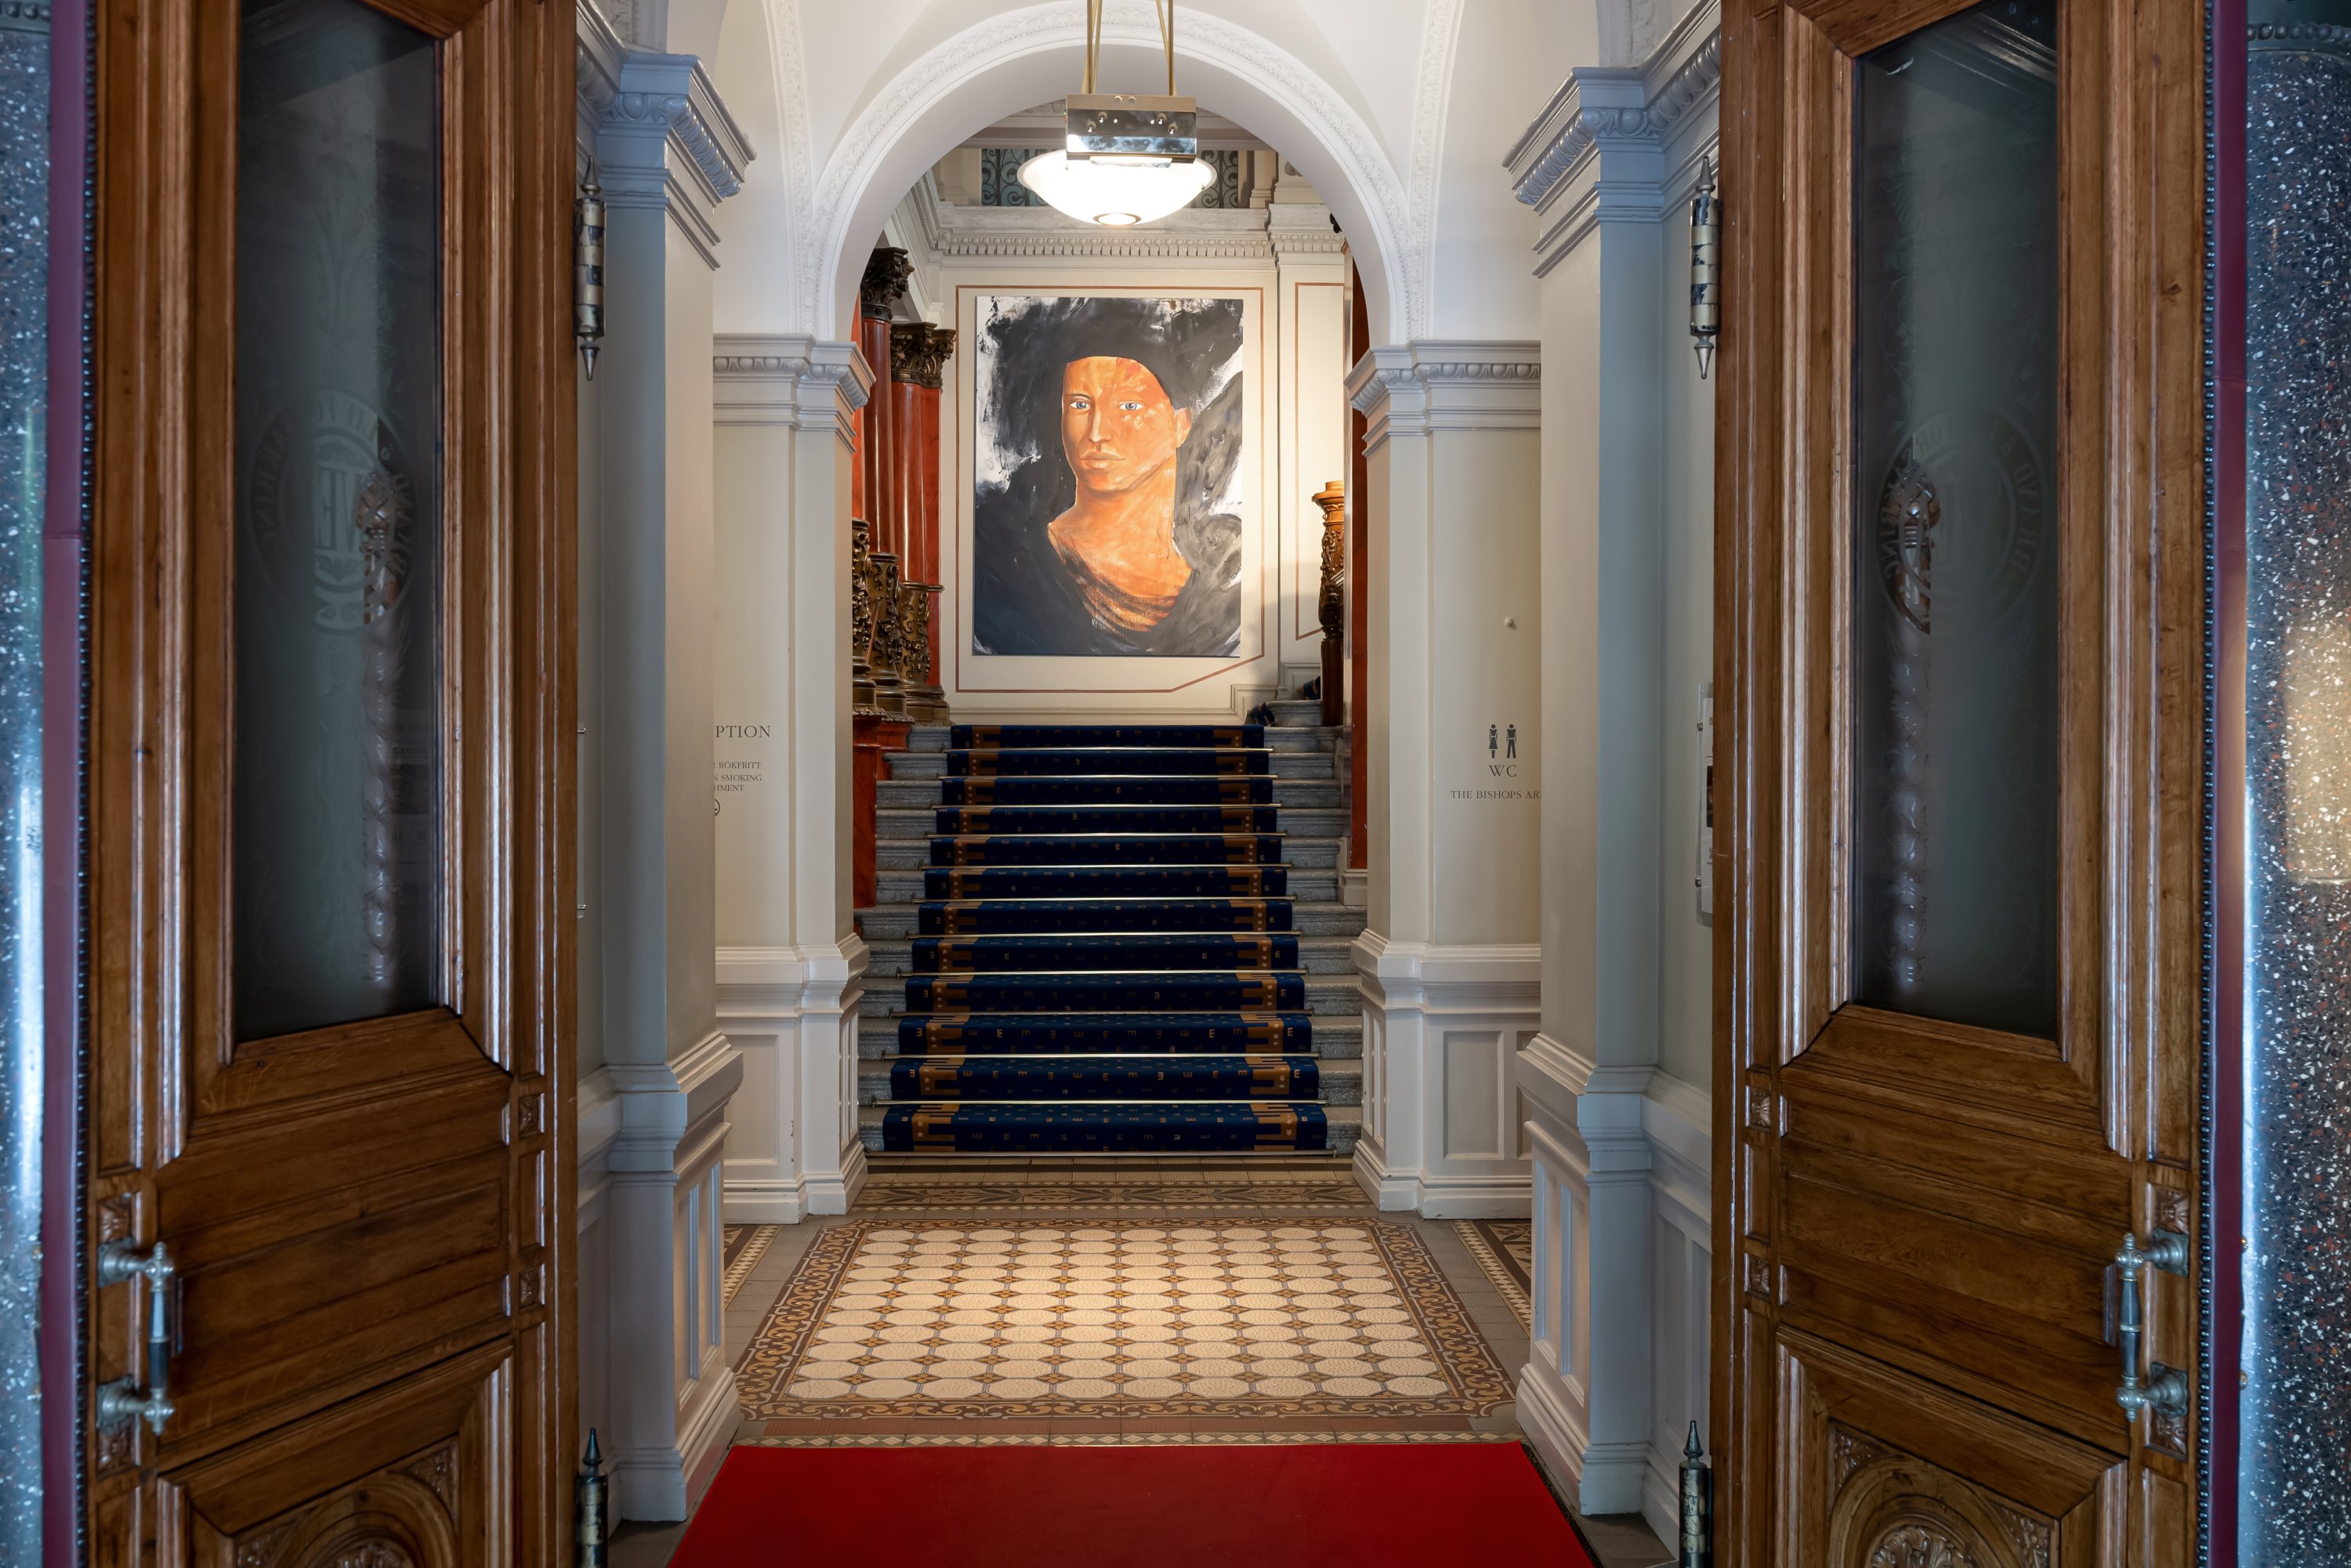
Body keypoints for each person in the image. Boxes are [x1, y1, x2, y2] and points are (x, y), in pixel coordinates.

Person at [970, 295, 1243, 657]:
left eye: (1129, 406)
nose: (1097, 432)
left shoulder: (1219, 602)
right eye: (1080, 405)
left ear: (1180, 425)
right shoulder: (1002, 561)